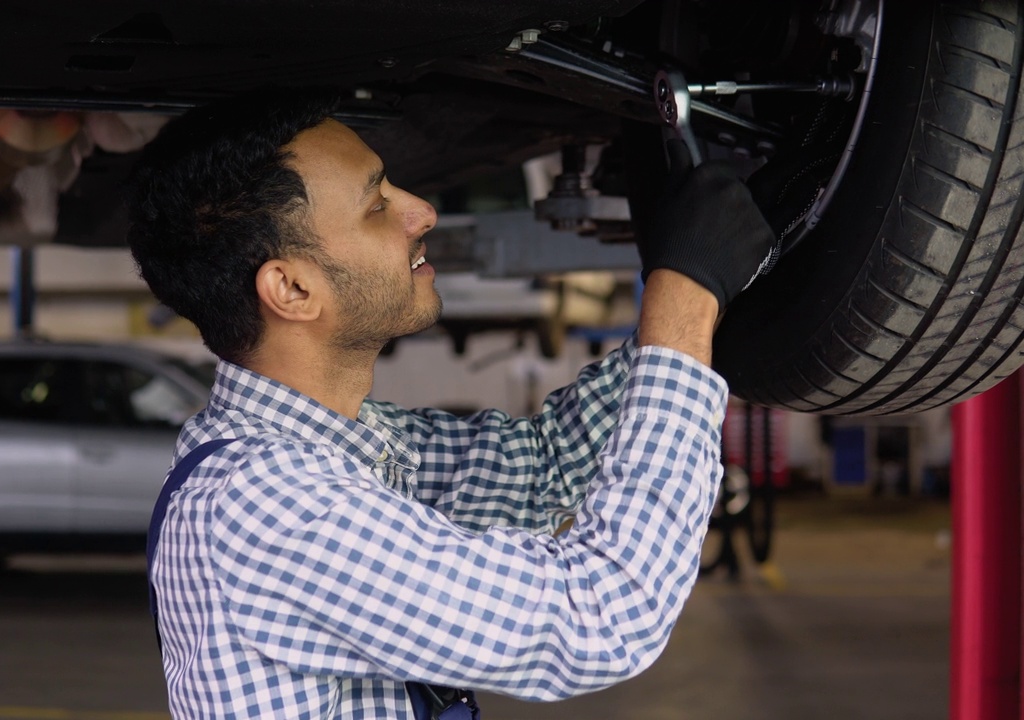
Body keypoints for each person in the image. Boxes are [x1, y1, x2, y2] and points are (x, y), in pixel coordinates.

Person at [126, 91, 777, 719]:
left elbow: (544, 464)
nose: (421, 211)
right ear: (293, 288)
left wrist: (700, 306)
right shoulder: (265, 505)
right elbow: (595, 617)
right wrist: (685, 295)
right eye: (376, 204)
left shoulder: (341, 450)